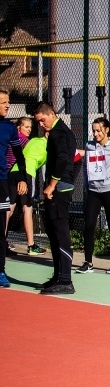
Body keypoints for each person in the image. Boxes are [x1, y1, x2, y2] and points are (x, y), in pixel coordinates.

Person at [75, 117, 110, 275]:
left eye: (99, 130)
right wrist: (86, 185)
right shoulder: (89, 146)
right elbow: (86, 168)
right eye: (94, 130)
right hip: (93, 192)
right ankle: (88, 262)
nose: (96, 133)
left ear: (106, 130)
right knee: (89, 225)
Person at [32, 101, 74, 294]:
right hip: (58, 187)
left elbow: (63, 158)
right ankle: (58, 277)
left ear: (51, 114)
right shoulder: (57, 132)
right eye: (38, 122)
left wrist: (51, 185)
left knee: (60, 232)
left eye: (42, 120)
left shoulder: (59, 133)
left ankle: (66, 280)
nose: (41, 125)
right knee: (52, 231)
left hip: (60, 189)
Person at [6, 117, 45, 256]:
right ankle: (31, 245)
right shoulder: (25, 142)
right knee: (27, 208)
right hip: (23, 174)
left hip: (9, 175)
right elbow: (24, 159)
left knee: (8, 209)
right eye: (26, 127)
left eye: (30, 127)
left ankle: (2, 242)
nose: (29, 129)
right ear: (18, 128)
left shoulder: (11, 140)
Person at [0, 92, 27, 288]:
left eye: (8, 102)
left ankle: (0, 271)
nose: (8, 105)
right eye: (3, 102)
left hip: (1, 184)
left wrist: (24, 178)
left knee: (1, 230)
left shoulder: (9, 128)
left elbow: (19, 155)